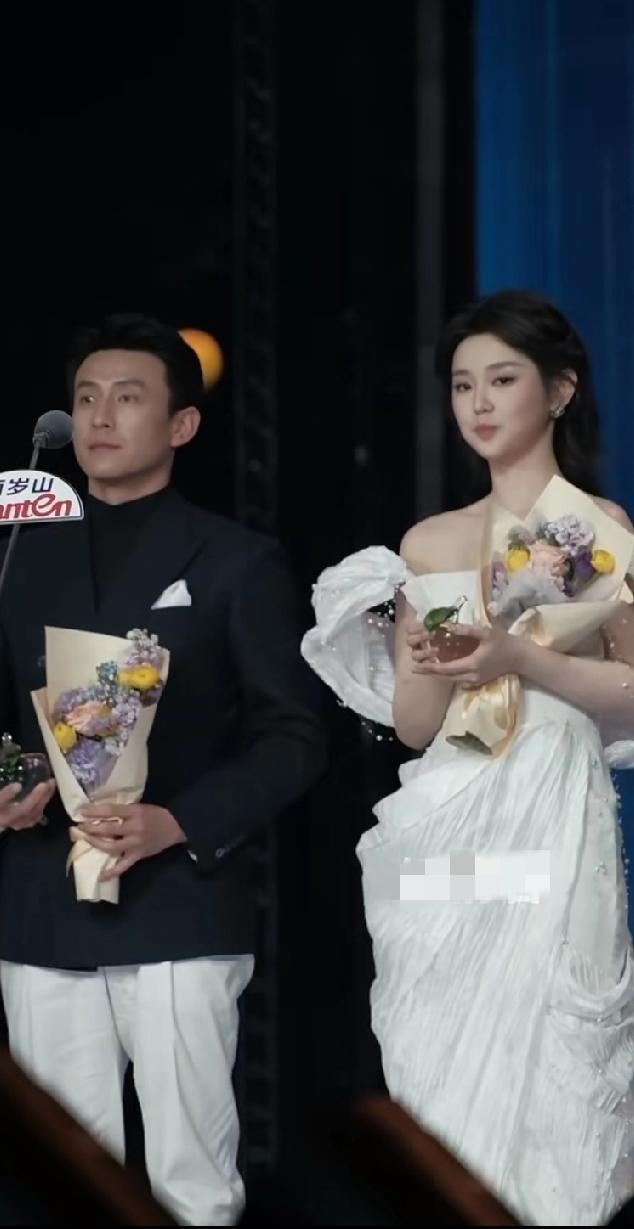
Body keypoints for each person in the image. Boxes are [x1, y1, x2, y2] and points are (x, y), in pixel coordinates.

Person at [302, 290, 634, 1226]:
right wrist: (418, 653)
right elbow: (415, 725)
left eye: (502, 379)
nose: (479, 403)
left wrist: (522, 657)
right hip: (450, 820)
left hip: (553, 813)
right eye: (461, 385)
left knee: (559, 1046)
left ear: (559, 390)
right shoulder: (430, 541)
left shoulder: (600, 528)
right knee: (442, 1047)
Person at [0, 313, 326, 1226]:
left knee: (192, 1183)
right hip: (42, 903)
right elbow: (8, 721)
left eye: (127, 397)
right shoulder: (20, 554)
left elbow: (294, 736)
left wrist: (179, 822)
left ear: (182, 424)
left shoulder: (236, 560)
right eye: (85, 398)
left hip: (179, 900)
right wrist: (11, 780)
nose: (100, 416)